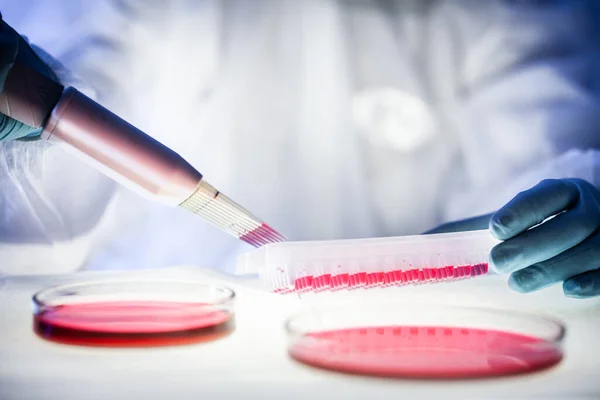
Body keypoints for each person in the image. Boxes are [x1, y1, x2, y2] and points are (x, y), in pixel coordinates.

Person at [0, 0, 599, 298]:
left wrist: (574, 203)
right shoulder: (141, 13)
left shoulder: (499, 16)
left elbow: (550, 157)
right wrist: (33, 109)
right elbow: (46, 211)